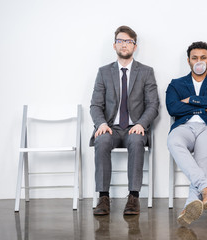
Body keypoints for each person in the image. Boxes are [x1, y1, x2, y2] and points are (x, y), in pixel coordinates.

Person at [90, 26, 159, 216]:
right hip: (110, 127)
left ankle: (133, 197)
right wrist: (101, 124)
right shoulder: (104, 72)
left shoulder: (146, 72)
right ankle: (103, 197)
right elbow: (95, 105)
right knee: (101, 140)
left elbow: (153, 105)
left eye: (128, 41)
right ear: (114, 45)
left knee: (137, 141)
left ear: (134, 46)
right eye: (120, 41)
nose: (124, 44)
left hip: (133, 127)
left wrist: (140, 124)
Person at [166, 41, 207, 226]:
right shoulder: (176, 84)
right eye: (195, 58)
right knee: (173, 141)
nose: (199, 61)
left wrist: (191, 100)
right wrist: (204, 107)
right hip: (184, 128)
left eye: (203, 57)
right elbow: (173, 108)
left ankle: (189, 207)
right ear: (189, 61)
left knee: (202, 163)